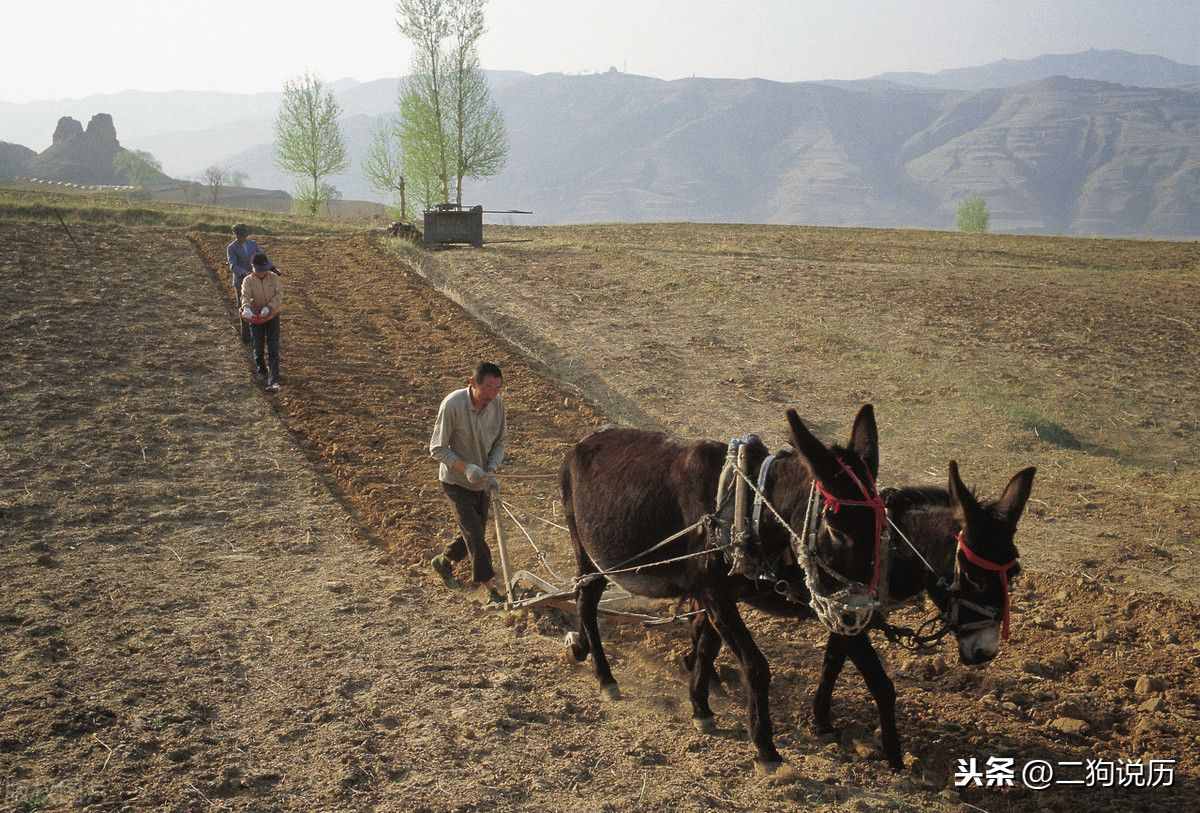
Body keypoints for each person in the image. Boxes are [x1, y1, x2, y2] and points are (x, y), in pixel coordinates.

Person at [428, 362, 507, 602]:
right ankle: (491, 588)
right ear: (471, 383)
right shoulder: (452, 404)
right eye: (488, 388)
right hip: (456, 481)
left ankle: (444, 561)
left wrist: (491, 469)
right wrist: (467, 468)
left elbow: (500, 442)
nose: (493, 394)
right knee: (475, 535)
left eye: (498, 388)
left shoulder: (497, 405)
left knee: (474, 532)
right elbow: (437, 448)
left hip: (481, 481)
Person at [240, 252, 282, 391]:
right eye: (258, 271)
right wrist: (246, 308)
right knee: (258, 347)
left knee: (273, 347)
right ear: (253, 267)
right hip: (256, 317)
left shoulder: (274, 278)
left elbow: (279, 295)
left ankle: (274, 380)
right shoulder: (248, 280)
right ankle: (262, 371)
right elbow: (245, 296)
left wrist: (269, 307)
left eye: (264, 270)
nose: (261, 273)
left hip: (271, 316)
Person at [226, 224, 258, 344]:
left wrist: (271, 267)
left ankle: (256, 334)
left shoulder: (253, 244)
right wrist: (244, 273)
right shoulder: (231, 248)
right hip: (240, 281)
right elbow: (233, 265)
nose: (242, 238)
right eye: (239, 236)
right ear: (236, 235)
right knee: (244, 307)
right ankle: (246, 337)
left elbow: (261, 257)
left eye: (244, 236)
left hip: (254, 280)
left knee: (255, 306)